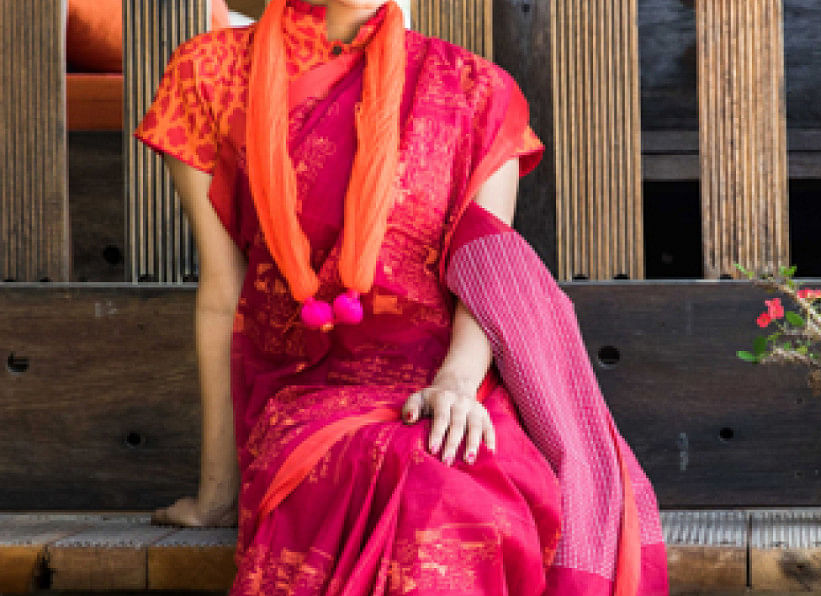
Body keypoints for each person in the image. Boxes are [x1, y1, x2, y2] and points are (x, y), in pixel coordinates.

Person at [134, 1, 668, 593]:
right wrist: (217, 494)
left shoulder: (477, 91)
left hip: (450, 381)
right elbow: (223, 293)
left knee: (463, 499)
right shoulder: (209, 74)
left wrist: (456, 385)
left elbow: (484, 276)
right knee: (409, 485)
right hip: (307, 390)